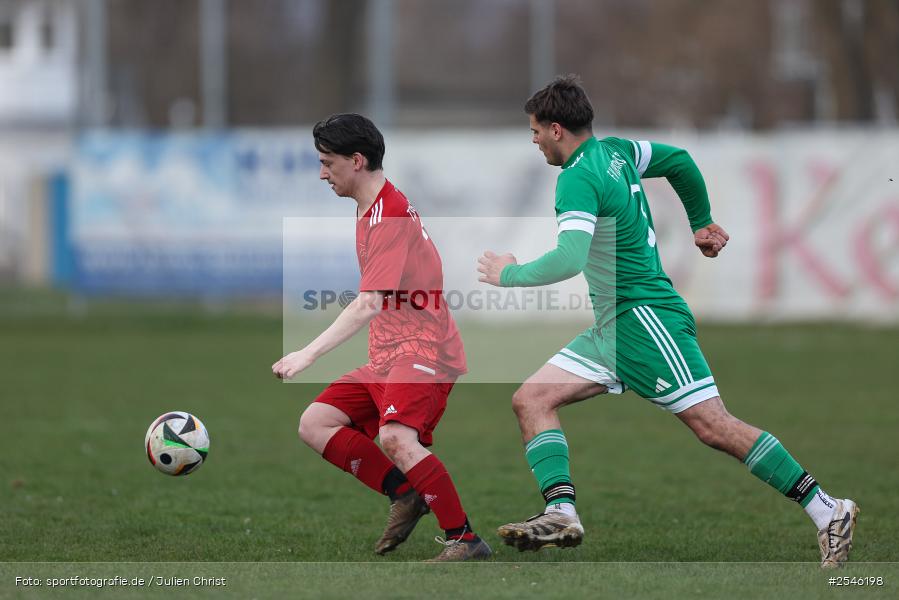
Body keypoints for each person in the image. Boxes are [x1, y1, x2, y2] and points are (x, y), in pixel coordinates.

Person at [477, 75, 858, 568]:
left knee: (714, 426)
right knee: (531, 399)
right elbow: (678, 160)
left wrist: (506, 274)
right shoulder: (616, 152)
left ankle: (829, 510)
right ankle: (561, 512)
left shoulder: (576, 177)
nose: (532, 140)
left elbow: (569, 258)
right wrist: (701, 221)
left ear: (555, 130)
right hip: (613, 328)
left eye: (534, 130)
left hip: (645, 319)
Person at [273, 113, 491, 562]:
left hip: (424, 348)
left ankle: (465, 539)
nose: (322, 174)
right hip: (391, 352)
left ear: (356, 160)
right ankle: (406, 493)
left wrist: (307, 354)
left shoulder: (388, 216)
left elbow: (368, 303)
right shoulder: (370, 208)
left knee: (395, 437)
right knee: (315, 423)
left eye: (327, 163)